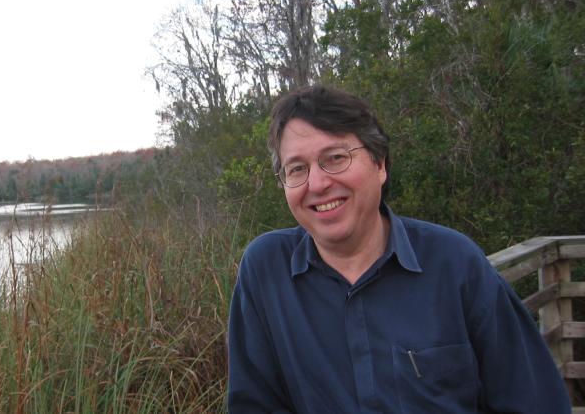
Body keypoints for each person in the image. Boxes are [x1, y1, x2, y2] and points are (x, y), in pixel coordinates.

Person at [227, 85, 571, 413]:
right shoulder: (266, 272)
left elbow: (535, 402)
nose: (317, 184)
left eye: (335, 158)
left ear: (380, 165)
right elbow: (256, 405)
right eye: (297, 168)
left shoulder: (454, 264)